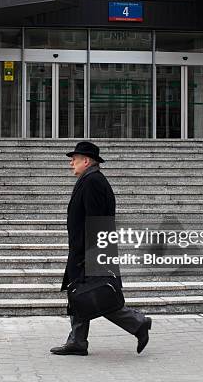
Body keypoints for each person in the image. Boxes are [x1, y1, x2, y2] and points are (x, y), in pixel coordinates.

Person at [50, 141, 152, 356]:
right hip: (86, 250)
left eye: (74, 159)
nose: (71, 163)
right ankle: (77, 341)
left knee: (96, 296)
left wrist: (90, 255)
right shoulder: (90, 179)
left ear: (86, 161)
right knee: (78, 293)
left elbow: (96, 220)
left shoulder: (93, 181)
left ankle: (138, 323)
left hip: (90, 251)